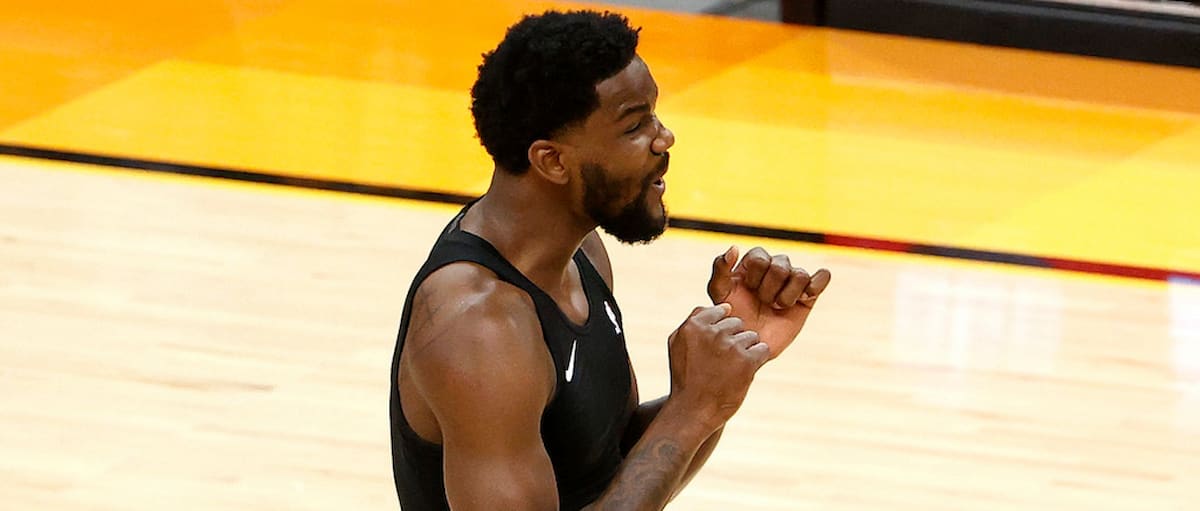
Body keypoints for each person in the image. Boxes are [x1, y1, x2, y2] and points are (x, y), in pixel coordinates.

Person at [388, 9, 831, 510]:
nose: (664, 138)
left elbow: (606, 470)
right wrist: (690, 409)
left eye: (655, 115)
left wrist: (724, 370)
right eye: (635, 125)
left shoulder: (581, 254)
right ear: (552, 161)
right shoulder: (478, 328)